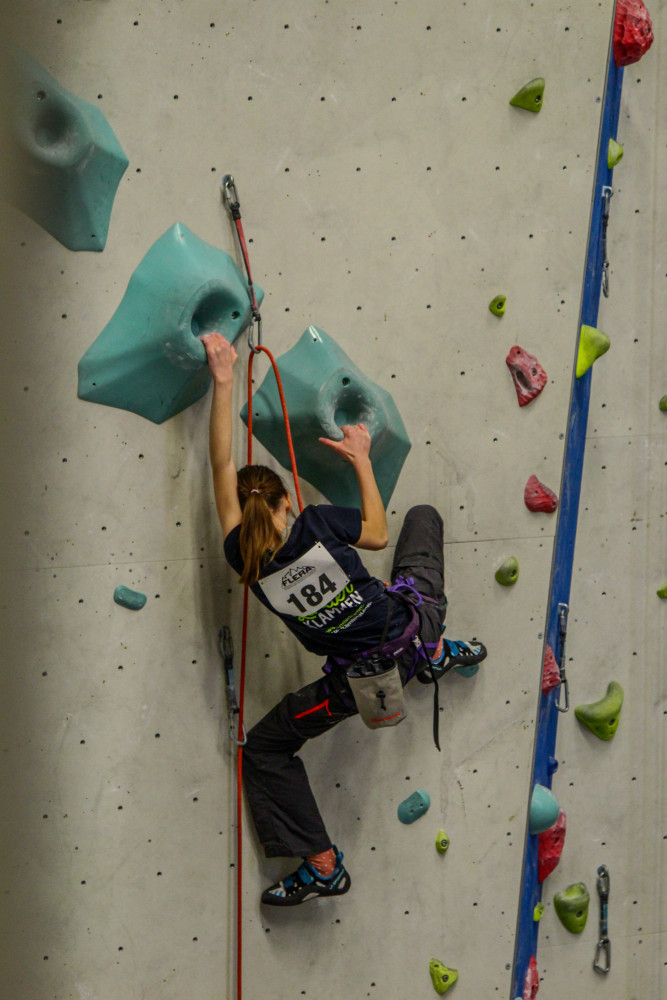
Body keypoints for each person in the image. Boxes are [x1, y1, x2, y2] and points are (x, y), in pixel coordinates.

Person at [201, 332, 487, 907]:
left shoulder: (244, 560)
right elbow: (377, 533)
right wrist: (360, 460)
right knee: (422, 519)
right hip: (413, 627)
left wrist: (223, 384)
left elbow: (221, 463)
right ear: (285, 503)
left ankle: (322, 865)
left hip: (352, 688)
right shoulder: (318, 524)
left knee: (265, 749)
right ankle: (434, 654)